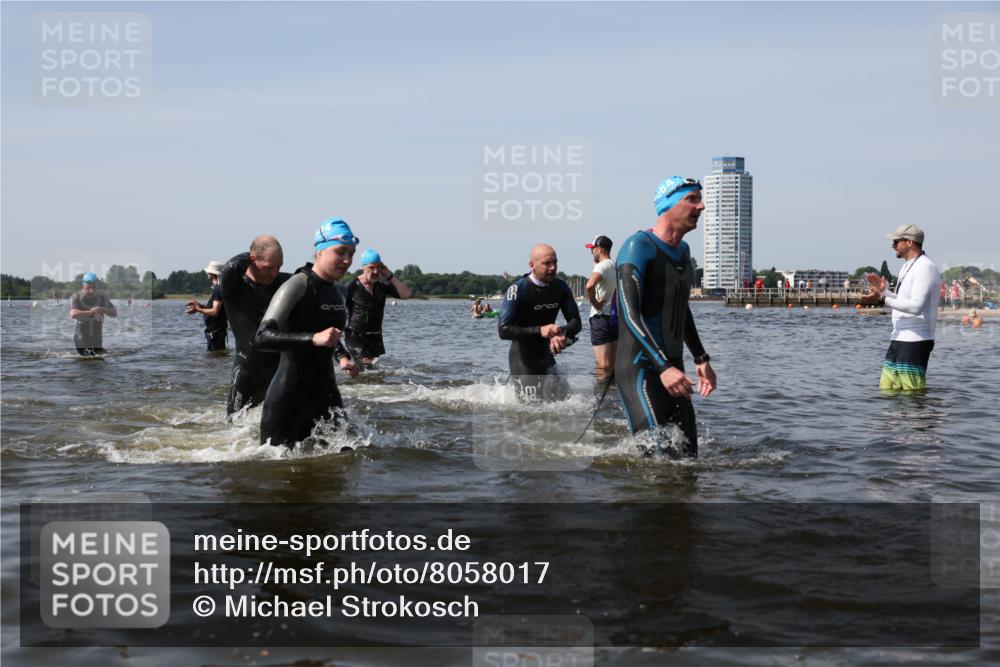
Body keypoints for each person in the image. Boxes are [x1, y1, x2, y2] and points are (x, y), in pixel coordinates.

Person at [615, 176, 717, 458]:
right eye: (692, 199)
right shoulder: (637, 246)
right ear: (668, 205)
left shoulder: (683, 252)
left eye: (700, 199)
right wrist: (662, 367)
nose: (702, 206)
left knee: (688, 458)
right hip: (641, 368)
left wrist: (701, 358)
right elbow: (629, 314)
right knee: (656, 461)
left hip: (673, 367)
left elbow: (681, 309)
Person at [256, 219, 361, 448]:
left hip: (326, 394)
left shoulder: (340, 292)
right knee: (277, 470)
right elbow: (262, 336)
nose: (347, 260)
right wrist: (312, 338)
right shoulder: (298, 284)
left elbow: (329, 335)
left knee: (352, 458)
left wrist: (342, 357)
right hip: (288, 397)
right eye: (340, 252)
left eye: (351, 253)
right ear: (320, 251)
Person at [862, 224, 941, 391]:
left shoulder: (926, 267)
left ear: (910, 242)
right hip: (899, 336)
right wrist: (884, 292)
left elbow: (916, 307)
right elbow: (902, 300)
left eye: (897, 241)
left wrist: (883, 298)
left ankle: (920, 417)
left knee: (912, 395)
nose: (893, 245)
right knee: (887, 390)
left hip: (916, 339)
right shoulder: (907, 265)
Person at [219, 236, 291, 416]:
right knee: (235, 425)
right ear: (251, 260)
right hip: (247, 373)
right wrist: (249, 255)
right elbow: (228, 268)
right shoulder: (234, 287)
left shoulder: (283, 283)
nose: (274, 273)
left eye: (279, 267)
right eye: (269, 267)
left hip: (279, 373)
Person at [498, 244, 581, 401]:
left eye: (555, 262)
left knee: (568, 403)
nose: (552, 268)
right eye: (547, 263)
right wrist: (539, 330)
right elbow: (503, 330)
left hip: (546, 356)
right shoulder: (517, 290)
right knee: (532, 412)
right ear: (532, 265)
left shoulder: (561, 287)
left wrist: (561, 333)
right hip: (523, 359)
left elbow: (576, 322)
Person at [345, 249, 412, 367]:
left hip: (375, 337)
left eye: (379, 267)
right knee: (367, 366)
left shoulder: (381, 286)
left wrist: (389, 275)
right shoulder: (351, 286)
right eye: (371, 267)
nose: (376, 271)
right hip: (355, 337)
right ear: (363, 267)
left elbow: (407, 294)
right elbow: (336, 312)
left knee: (373, 371)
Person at [584, 235, 617, 381]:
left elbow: (589, 285)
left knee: (602, 366)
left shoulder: (601, 266)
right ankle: (613, 399)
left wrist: (595, 303)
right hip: (615, 319)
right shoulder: (616, 265)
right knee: (613, 366)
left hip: (600, 317)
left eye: (592, 249)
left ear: (599, 249)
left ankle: (599, 399)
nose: (591, 252)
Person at [68, 272, 117, 356]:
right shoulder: (77, 296)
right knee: (88, 359)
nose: (92, 286)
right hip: (82, 335)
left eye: (94, 283)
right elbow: (73, 314)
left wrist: (102, 309)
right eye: (89, 284)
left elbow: (114, 313)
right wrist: (91, 312)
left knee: (99, 361)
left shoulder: (102, 296)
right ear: (83, 284)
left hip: (97, 335)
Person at [186, 261, 228, 352]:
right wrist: (200, 306)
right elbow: (216, 310)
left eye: (209, 271)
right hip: (215, 332)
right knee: (217, 359)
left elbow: (214, 311)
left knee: (215, 360)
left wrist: (197, 309)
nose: (207, 273)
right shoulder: (218, 288)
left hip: (216, 333)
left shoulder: (217, 289)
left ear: (213, 273)